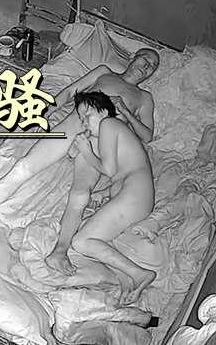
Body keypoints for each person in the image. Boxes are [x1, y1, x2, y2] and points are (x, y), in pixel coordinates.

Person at [0, 48, 160, 229]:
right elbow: (69, 92)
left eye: (153, 66)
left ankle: (57, 243)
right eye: (145, 59)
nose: (147, 66)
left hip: (100, 143)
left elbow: (147, 136)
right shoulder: (105, 73)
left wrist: (125, 111)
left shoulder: (144, 98)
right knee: (24, 166)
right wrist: (44, 113)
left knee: (77, 194)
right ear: (133, 56)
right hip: (75, 124)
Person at [48, 91, 156, 305]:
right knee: (93, 236)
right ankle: (126, 279)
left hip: (136, 193)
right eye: (81, 118)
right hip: (135, 195)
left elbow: (109, 169)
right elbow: (120, 170)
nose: (84, 122)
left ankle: (140, 273)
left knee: (81, 241)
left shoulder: (109, 124)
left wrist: (86, 150)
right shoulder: (113, 131)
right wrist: (102, 194)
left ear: (104, 111)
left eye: (87, 115)